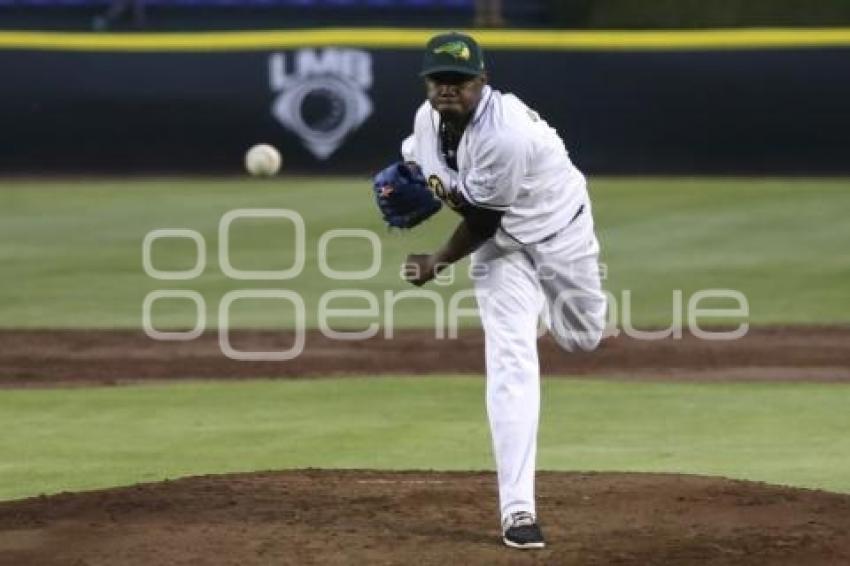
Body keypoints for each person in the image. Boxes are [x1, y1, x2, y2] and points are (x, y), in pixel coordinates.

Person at [400, 32, 607, 549]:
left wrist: (436, 261)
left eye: (459, 80)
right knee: (512, 360)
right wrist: (404, 176)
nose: (448, 90)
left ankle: (539, 309)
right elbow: (417, 159)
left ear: (482, 81)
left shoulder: (506, 132)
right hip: (502, 256)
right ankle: (518, 511)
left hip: (561, 235)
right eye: (438, 80)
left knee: (584, 338)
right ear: (427, 83)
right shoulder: (426, 122)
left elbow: (482, 221)